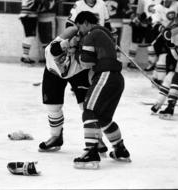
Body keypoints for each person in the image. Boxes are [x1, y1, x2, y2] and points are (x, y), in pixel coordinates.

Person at [73, 11, 131, 169]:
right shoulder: (104, 33)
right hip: (117, 79)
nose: (79, 31)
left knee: (89, 111)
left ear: (85, 22)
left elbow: (87, 61)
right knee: (104, 118)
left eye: (79, 27)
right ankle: (120, 150)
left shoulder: (92, 34)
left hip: (105, 76)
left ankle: (91, 152)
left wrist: (75, 51)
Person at [38, 26, 108, 156]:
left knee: (87, 106)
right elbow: (61, 43)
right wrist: (70, 43)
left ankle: (96, 138)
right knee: (53, 106)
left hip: (78, 71)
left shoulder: (89, 44)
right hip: (54, 72)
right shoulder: (54, 49)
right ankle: (55, 137)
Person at [127, 0, 162, 70]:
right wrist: (137, 20)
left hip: (156, 24)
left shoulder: (161, 1)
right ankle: (131, 61)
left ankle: (153, 63)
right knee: (136, 42)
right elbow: (139, 13)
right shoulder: (143, 1)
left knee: (152, 44)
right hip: (144, 22)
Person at [19, 0, 40, 64]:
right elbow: (33, 5)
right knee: (30, 37)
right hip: (28, 16)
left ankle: (25, 56)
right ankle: (25, 56)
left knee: (29, 37)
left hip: (28, 16)